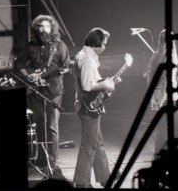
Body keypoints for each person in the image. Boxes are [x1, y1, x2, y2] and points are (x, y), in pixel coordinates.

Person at [15, 14, 70, 178]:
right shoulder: (30, 46)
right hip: (35, 91)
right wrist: (27, 75)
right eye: (39, 26)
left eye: (46, 26)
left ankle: (52, 160)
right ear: (35, 29)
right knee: (39, 124)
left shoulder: (59, 45)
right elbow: (19, 62)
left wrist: (45, 74)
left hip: (53, 91)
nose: (43, 29)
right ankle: (40, 157)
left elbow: (65, 66)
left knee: (52, 126)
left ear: (51, 28)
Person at [72, 27, 121, 188]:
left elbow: (91, 81)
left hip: (87, 105)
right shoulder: (86, 58)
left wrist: (107, 82)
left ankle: (105, 177)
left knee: (97, 142)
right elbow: (87, 85)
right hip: (88, 108)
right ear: (96, 43)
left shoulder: (85, 55)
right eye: (104, 44)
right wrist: (106, 84)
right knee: (89, 144)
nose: (105, 47)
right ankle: (81, 183)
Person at [145, 29, 178, 156]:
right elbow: (167, 82)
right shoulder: (171, 56)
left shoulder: (155, 55)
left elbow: (149, 78)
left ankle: (159, 160)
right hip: (167, 98)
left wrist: (154, 98)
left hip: (157, 97)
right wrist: (161, 100)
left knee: (161, 131)